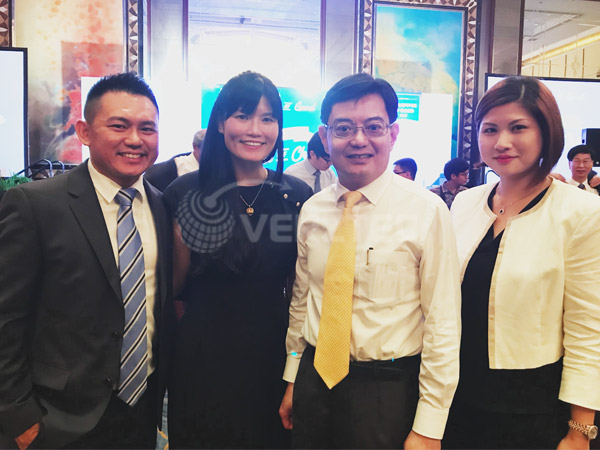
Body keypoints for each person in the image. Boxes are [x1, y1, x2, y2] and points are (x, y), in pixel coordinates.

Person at [279, 73, 461, 449]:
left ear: (392, 134)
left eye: (373, 127)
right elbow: (302, 302)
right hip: (313, 381)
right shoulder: (312, 210)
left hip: (386, 391)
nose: (358, 139)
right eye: (344, 128)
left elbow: (442, 323)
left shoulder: (427, 211)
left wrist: (430, 425)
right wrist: (293, 374)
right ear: (325, 136)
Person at [0, 73, 176, 449]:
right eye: (119, 125)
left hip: (141, 414)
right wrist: (19, 417)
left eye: (147, 128)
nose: (135, 139)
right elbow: (6, 318)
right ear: (84, 132)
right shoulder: (36, 205)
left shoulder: (163, 206)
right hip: (55, 419)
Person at [445, 76, 600, 449]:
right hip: (455, 398)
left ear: (546, 132)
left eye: (518, 128)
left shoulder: (581, 211)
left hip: (532, 407)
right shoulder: (465, 203)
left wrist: (580, 431)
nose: (502, 142)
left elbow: (588, 326)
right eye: (490, 129)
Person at [163, 71, 312, 449]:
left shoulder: (295, 195)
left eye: (267, 118)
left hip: (273, 353)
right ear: (220, 122)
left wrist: (296, 367)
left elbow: (301, 292)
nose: (255, 130)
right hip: (202, 356)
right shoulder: (185, 192)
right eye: (243, 116)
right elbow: (172, 287)